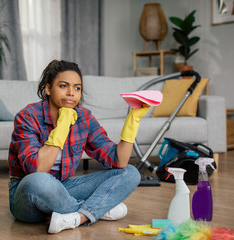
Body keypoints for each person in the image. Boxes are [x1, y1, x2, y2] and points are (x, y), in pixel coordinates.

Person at [8, 60, 150, 234]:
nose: (71, 93)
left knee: (130, 172)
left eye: (77, 88)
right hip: (28, 198)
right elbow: (37, 168)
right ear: (48, 89)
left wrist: (133, 119)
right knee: (40, 180)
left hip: (63, 188)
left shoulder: (84, 117)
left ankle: (78, 217)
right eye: (63, 86)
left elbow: (118, 160)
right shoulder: (28, 116)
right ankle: (97, 210)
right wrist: (62, 125)